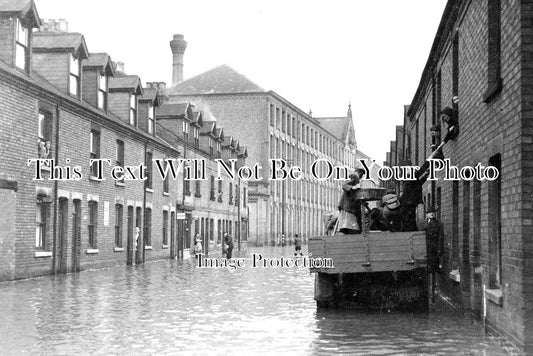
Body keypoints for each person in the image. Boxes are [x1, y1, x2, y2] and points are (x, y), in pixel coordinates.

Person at [336, 170, 363, 234]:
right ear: (361, 174)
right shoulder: (355, 178)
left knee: (347, 228)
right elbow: (344, 186)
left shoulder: (356, 180)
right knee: (351, 227)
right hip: (348, 208)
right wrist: (353, 187)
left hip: (347, 208)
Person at [425, 205, 443, 301]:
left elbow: (441, 238)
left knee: (433, 272)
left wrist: (439, 250)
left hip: (433, 250)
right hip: (425, 249)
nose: (431, 214)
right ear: (427, 214)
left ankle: (432, 295)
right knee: (425, 271)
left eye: (433, 212)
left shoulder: (439, 224)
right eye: (429, 212)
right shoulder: (423, 223)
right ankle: (426, 293)